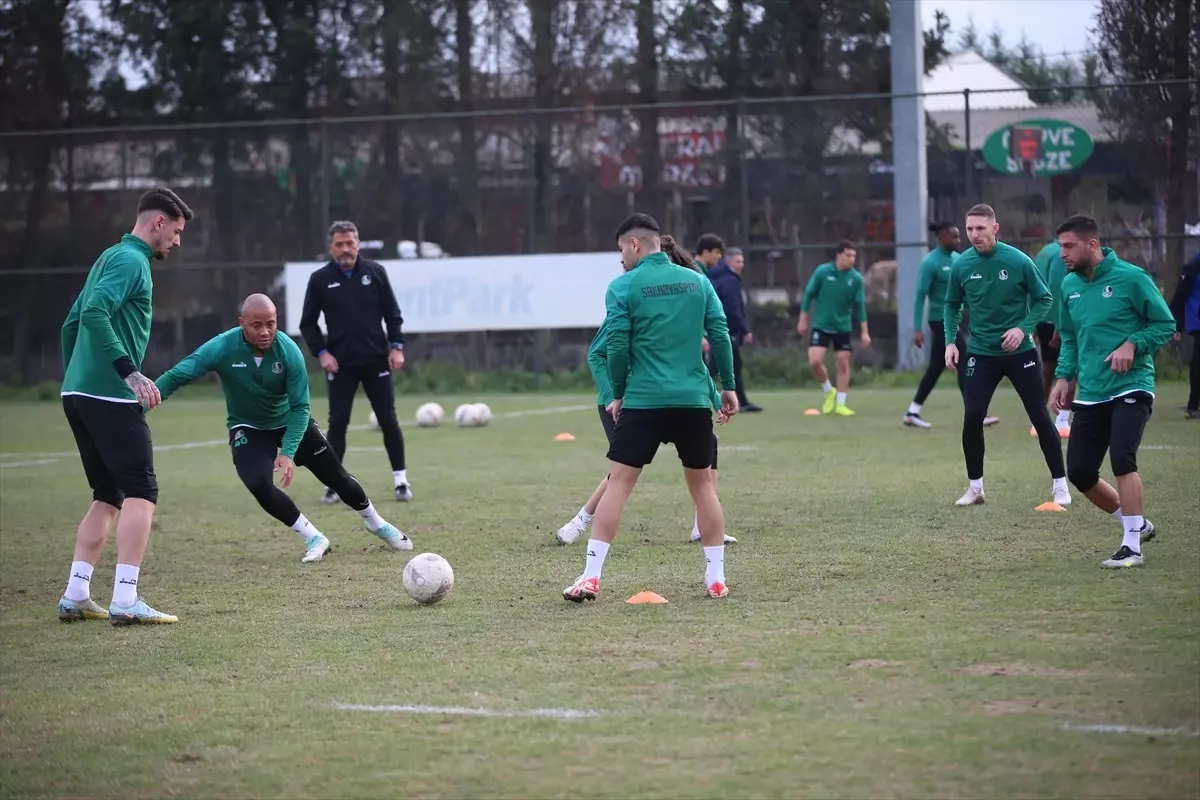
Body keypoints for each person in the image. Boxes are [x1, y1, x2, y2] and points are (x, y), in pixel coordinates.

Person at [562, 214, 738, 603]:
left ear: (634, 245)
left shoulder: (624, 285)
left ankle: (591, 577)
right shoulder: (698, 281)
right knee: (704, 487)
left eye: (621, 250)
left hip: (643, 400)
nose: (621, 259)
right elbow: (721, 334)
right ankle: (716, 580)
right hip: (692, 401)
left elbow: (618, 345)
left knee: (619, 484)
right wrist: (728, 387)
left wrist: (619, 392)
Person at [155, 294, 412, 561]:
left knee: (337, 477)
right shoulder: (222, 347)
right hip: (248, 426)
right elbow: (178, 375)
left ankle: (375, 522)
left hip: (289, 420)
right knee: (257, 482)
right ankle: (314, 537)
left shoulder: (289, 352)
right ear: (241, 323)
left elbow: (301, 407)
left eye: (271, 323)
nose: (265, 331)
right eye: (257, 325)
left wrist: (287, 452)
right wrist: (145, 401)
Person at [57, 186, 192, 626]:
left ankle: (76, 593)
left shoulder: (108, 257)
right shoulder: (132, 261)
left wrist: (74, 376)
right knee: (142, 491)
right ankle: (126, 599)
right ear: (158, 223)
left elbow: (71, 322)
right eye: (175, 231)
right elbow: (94, 311)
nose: (176, 241)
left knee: (107, 495)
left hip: (79, 394)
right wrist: (127, 371)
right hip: (109, 396)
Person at [1049, 215, 1176, 568]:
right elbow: (1070, 337)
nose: (1062, 254)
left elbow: (1165, 324)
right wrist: (1063, 377)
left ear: (1092, 245)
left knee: (1122, 457)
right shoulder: (1069, 286)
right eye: (1060, 246)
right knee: (1080, 472)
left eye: (1069, 246)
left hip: (1132, 386)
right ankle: (1136, 523)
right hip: (1090, 391)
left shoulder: (1132, 278)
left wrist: (1133, 344)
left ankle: (1131, 546)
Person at [944, 204, 1070, 508]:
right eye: (970, 229)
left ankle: (1060, 485)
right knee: (973, 416)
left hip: (1021, 353)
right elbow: (951, 305)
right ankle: (976, 488)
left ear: (994, 229)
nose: (974, 235)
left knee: (1039, 416)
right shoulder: (962, 265)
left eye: (980, 228)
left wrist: (1023, 328)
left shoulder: (1017, 260)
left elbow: (1044, 299)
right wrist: (950, 342)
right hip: (980, 353)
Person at [299, 220, 412, 504]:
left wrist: (396, 347)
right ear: (331, 247)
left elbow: (393, 314)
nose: (345, 249)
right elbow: (308, 324)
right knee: (337, 424)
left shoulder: (375, 272)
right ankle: (335, 484)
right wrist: (322, 353)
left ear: (358, 244)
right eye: (339, 244)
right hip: (341, 365)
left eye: (350, 243)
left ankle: (401, 481)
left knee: (388, 418)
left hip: (377, 361)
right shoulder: (319, 279)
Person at [797, 241, 871, 416]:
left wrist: (865, 332)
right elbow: (808, 296)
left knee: (843, 363)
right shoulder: (823, 272)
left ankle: (841, 404)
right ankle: (829, 390)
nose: (851, 259)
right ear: (838, 255)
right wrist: (803, 320)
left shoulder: (856, 278)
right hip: (821, 325)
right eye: (848, 255)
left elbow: (860, 307)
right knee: (815, 361)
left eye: (854, 256)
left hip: (842, 327)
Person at [706, 246, 762, 412]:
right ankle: (692, 398)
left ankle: (742, 402)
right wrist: (744, 330)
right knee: (716, 367)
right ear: (728, 261)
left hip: (722, 329)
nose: (741, 264)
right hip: (727, 330)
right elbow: (732, 308)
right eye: (738, 261)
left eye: (742, 261)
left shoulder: (722, 277)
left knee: (734, 364)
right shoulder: (729, 280)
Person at [1032, 240, 1072, 437]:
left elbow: (1032, 286)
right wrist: (1060, 324)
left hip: (1041, 316)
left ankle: (1038, 420)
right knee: (1070, 367)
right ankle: (1062, 421)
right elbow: (1057, 287)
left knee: (1047, 368)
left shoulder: (1044, 251)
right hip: (1057, 318)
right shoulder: (1060, 254)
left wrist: (1031, 322)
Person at [1168, 251, 1200, 419]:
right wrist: (1177, 325)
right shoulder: (1193, 267)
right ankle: (1193, 404)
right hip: (1197, 322)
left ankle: (1194, 404)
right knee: (1197, 363)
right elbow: (1180, 297)